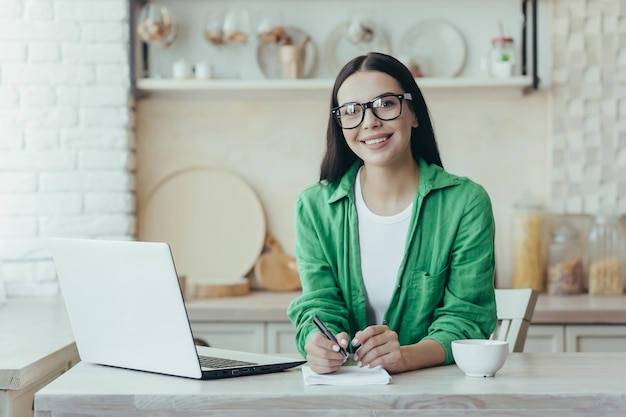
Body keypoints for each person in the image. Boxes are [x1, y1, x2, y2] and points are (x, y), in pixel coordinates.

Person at [287, 52, 497, 375]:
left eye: (385, 103)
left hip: (436, 397)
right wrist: (318, 341)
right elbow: (320, 305)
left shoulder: (465, 203)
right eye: (351, 111)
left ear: (413, 113)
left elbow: (466, 319)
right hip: (344, 398)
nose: (369, 122)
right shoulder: (315, 208)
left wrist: (405, 356)